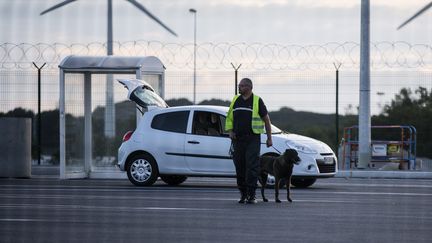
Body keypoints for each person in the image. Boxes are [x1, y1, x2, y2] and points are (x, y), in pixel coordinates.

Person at [225, 78, 273, 204]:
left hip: (252, 138)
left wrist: (269, 138)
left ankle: (252, 195)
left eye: (241, 86)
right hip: (237, 140)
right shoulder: (236, 100)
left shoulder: (257, 100)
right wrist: (230, 131)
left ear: (249, 87)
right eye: (238, 85)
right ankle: (243, 193)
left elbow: (266, 120)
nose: (239, 88)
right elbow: (229, 117)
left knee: (252, 166)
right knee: (239, 166)